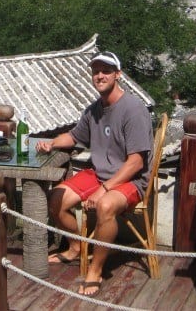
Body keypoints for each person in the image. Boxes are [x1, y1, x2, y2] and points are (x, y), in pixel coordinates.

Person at [35, 51, 153, 297]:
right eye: (96, 71)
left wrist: (105, 188)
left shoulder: (133, 109)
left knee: (105, 206)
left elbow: (136, 162)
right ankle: (77, 247)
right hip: (99, 173)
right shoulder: (93, 110)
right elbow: (75, 136)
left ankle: (95, 270)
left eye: (106, 71)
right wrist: (53, 143)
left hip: (130, 180)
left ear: (118, 75)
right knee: (56, 197)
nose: (100, 75)